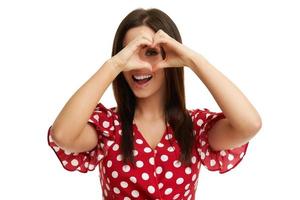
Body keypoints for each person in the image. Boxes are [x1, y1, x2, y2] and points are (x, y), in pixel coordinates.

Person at [47, 7, 262, 200]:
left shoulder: (194, 127)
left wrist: (194, 61)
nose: (139, 65)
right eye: (130, 53)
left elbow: (249, 125)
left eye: (150, 53)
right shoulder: (109, 127)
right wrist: (114, 65)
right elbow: (63, 135)